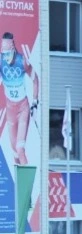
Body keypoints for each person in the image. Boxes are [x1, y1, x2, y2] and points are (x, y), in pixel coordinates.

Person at [1, 32, 39, 166]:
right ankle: (19, 179)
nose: (5, 57)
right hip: (10, 110)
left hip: (23, 109)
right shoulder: (1, 61)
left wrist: (35, 102)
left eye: (7, 53)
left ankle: (28, 179)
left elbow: (35, 80)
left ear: (12, 48)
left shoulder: (22, 61)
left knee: (20, 149)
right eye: (3, 53)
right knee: (15, 153)